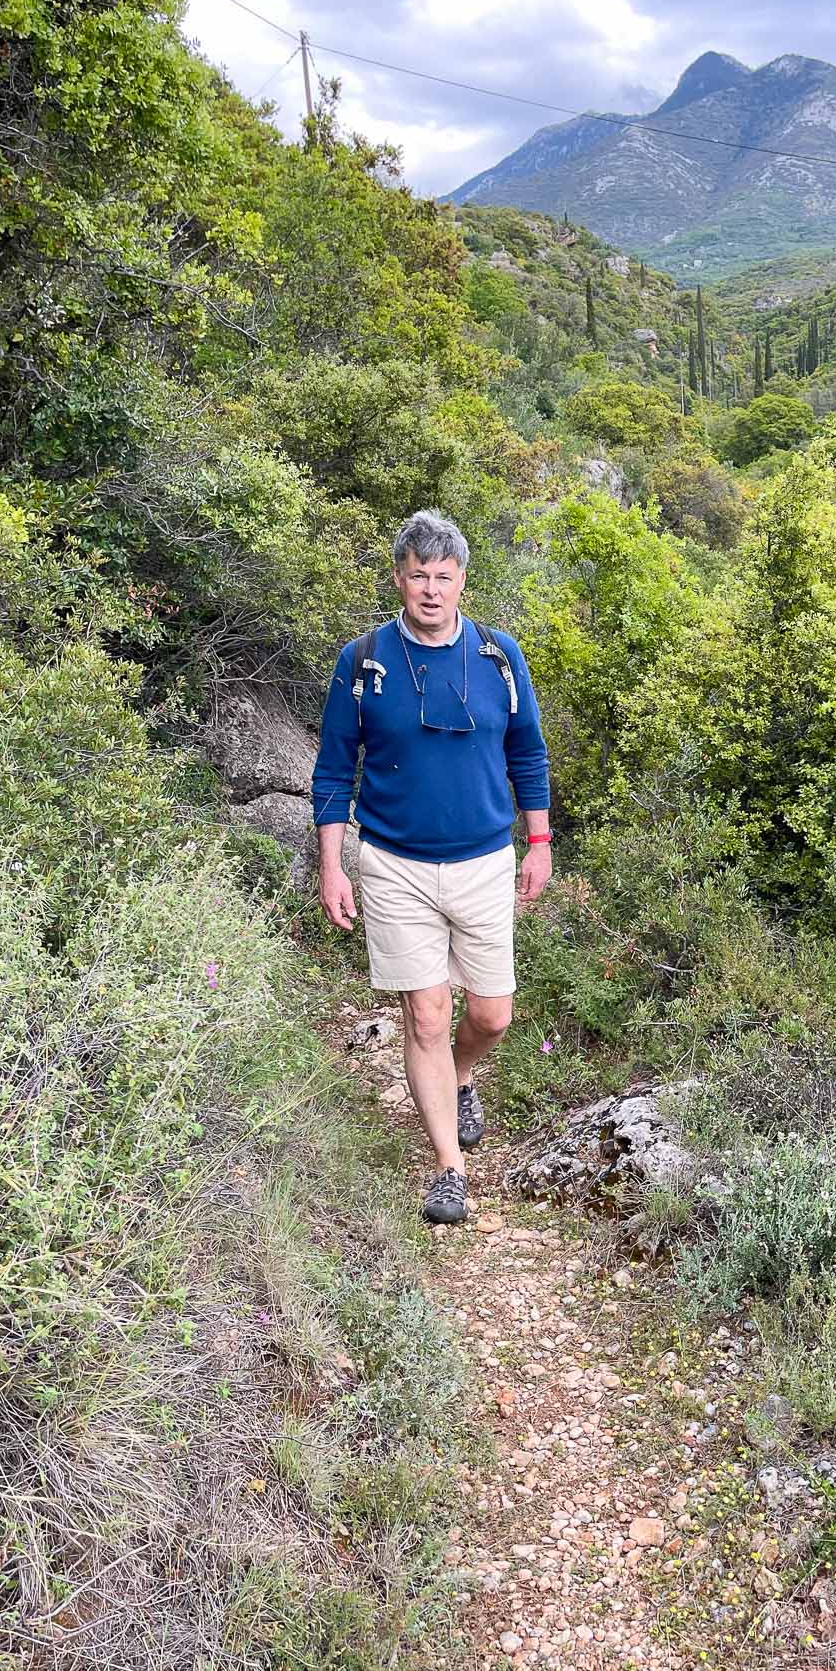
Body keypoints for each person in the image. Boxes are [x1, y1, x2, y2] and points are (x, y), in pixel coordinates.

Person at [311, 509, 552, 1225]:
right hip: (392, 863)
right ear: (398, 577)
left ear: (461, 582)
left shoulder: (497, 657)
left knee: (490, 1014)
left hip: (483, 859)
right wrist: (334, 864)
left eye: (443, 577)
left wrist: (538, 844)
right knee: (424, 1014)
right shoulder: (362, 661)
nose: (430, 589)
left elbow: (528, 755)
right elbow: (332, 771)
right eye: (418, 574)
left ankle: (464, 1074)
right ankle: (450, 1166)